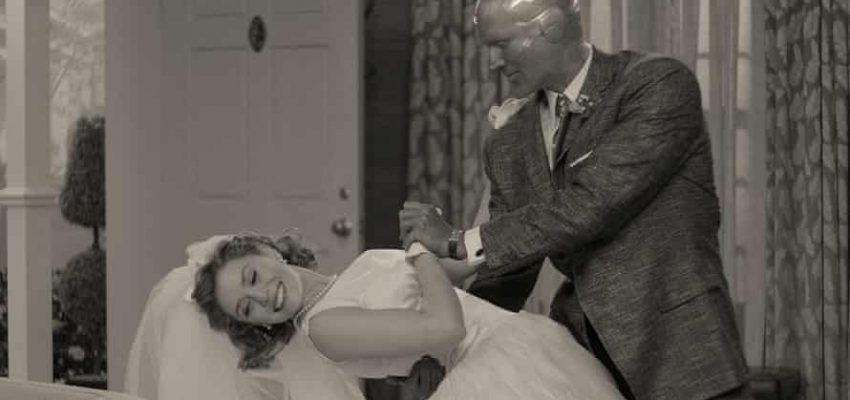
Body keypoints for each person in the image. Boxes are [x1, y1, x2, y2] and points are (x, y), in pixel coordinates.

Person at [399, 0, 752, 399]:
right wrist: (441, 346)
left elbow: (590, 206)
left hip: (682, 357)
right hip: (582, 366)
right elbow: (507, 271)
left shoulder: (656, 84)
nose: (493, 63)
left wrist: (457, 241)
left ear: (549, 26)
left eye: (501, 45)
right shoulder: (507, 142)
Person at [126, 232, 627, 400]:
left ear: (265, 250)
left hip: (517, 342)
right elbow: (445, 328)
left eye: (252, 277)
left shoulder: (352, 275)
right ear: (255, 325)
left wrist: (451, 238)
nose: (263, 298)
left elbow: (459, 271)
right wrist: (418, 250)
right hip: (491, 372)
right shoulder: (324, 328)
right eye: (247, 308)